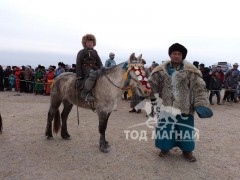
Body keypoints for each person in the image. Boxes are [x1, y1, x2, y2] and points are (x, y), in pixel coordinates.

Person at [149, 43, 213, 162]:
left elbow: (199, 88)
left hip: (185, 106)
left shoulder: (191, 71)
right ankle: (164, 148)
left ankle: (187, 151)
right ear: (170, 55)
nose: (176, 56)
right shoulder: (160, 71)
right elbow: (152, 87)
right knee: (164, 129)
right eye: (174, 53)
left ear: (183, 56)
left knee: (185, 129)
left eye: (179, 54)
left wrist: (200, 104)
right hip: (166, 107)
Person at [76, 34, 103, 101]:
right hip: (85, 68)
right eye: (88, 42)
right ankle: (84, 93)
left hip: (95, 68)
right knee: (93, 75)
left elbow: (99, 62)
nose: (90, 43)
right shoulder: (81, 52)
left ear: (93, 43)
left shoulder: (95, 52)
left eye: (91, 42)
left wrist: (102, 69)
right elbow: (78, 64)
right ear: (85, 43)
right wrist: (79, 76)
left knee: (103, 74)